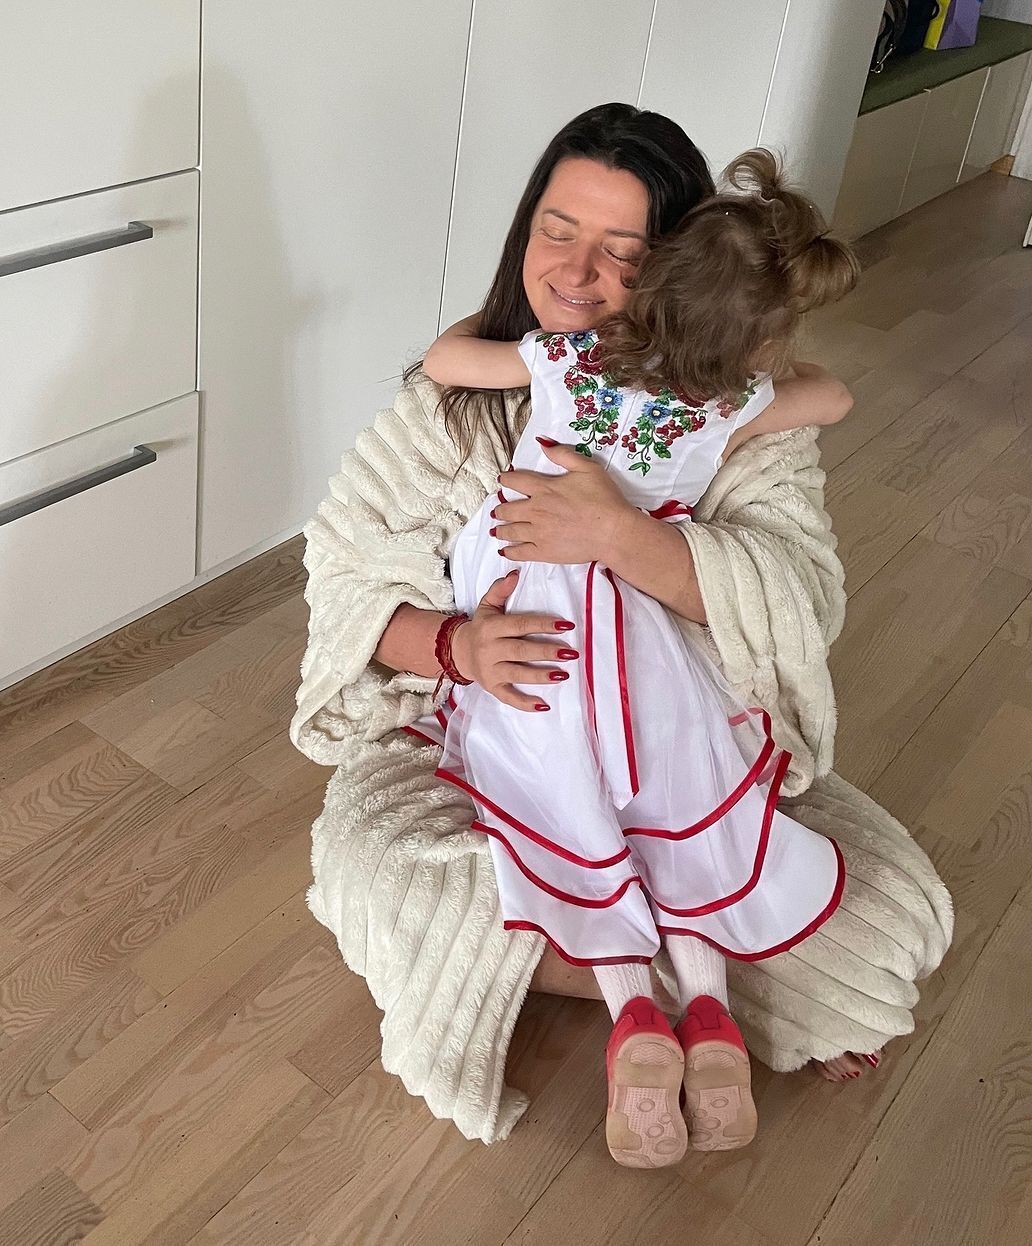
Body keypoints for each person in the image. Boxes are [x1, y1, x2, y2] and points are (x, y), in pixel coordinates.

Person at [289, 103, 953, 1146]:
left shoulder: (725, 403)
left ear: (676, 268)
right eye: (556, 230)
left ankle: (595, 965)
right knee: (375, 866)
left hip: (682, 745)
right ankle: (707, 981)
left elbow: (800, 599)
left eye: (623, 252)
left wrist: (621, 537)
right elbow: (345, 569)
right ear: (525, 228)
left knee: (894, 913)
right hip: (478, 741)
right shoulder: (475, 396)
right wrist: (457, 647)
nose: (576, 272)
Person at [411, 149, 858, 1167]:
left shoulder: (565, 360)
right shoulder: (729, 406)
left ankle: (633, 1017)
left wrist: (522, 333)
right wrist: (757, 372)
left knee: (561, 791)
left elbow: (443, 360)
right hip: (635, 618)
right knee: (667, 792)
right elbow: (832, 397)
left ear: (648, 279)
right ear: (761, 339)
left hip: (527, 588)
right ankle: (710, 1013)